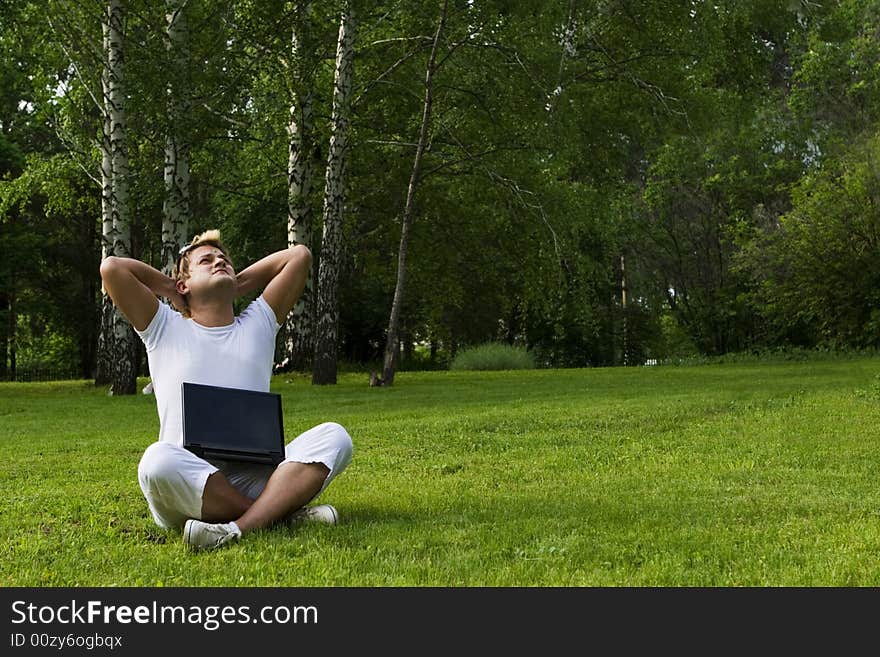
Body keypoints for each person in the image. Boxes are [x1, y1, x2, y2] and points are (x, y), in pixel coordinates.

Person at [99, 229, 353, 550]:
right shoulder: (163, 326)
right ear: (184, 284)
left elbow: (298, 256)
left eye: (225, 260)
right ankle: (281, 516)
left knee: (335, 437)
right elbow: (112, 268)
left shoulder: (258, 323)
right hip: (189, 483)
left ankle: (236, 528)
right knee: (156, 461)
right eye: (207, 261)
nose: (219, 261)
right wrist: (171, 289)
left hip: (257, 478)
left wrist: (238, 283)